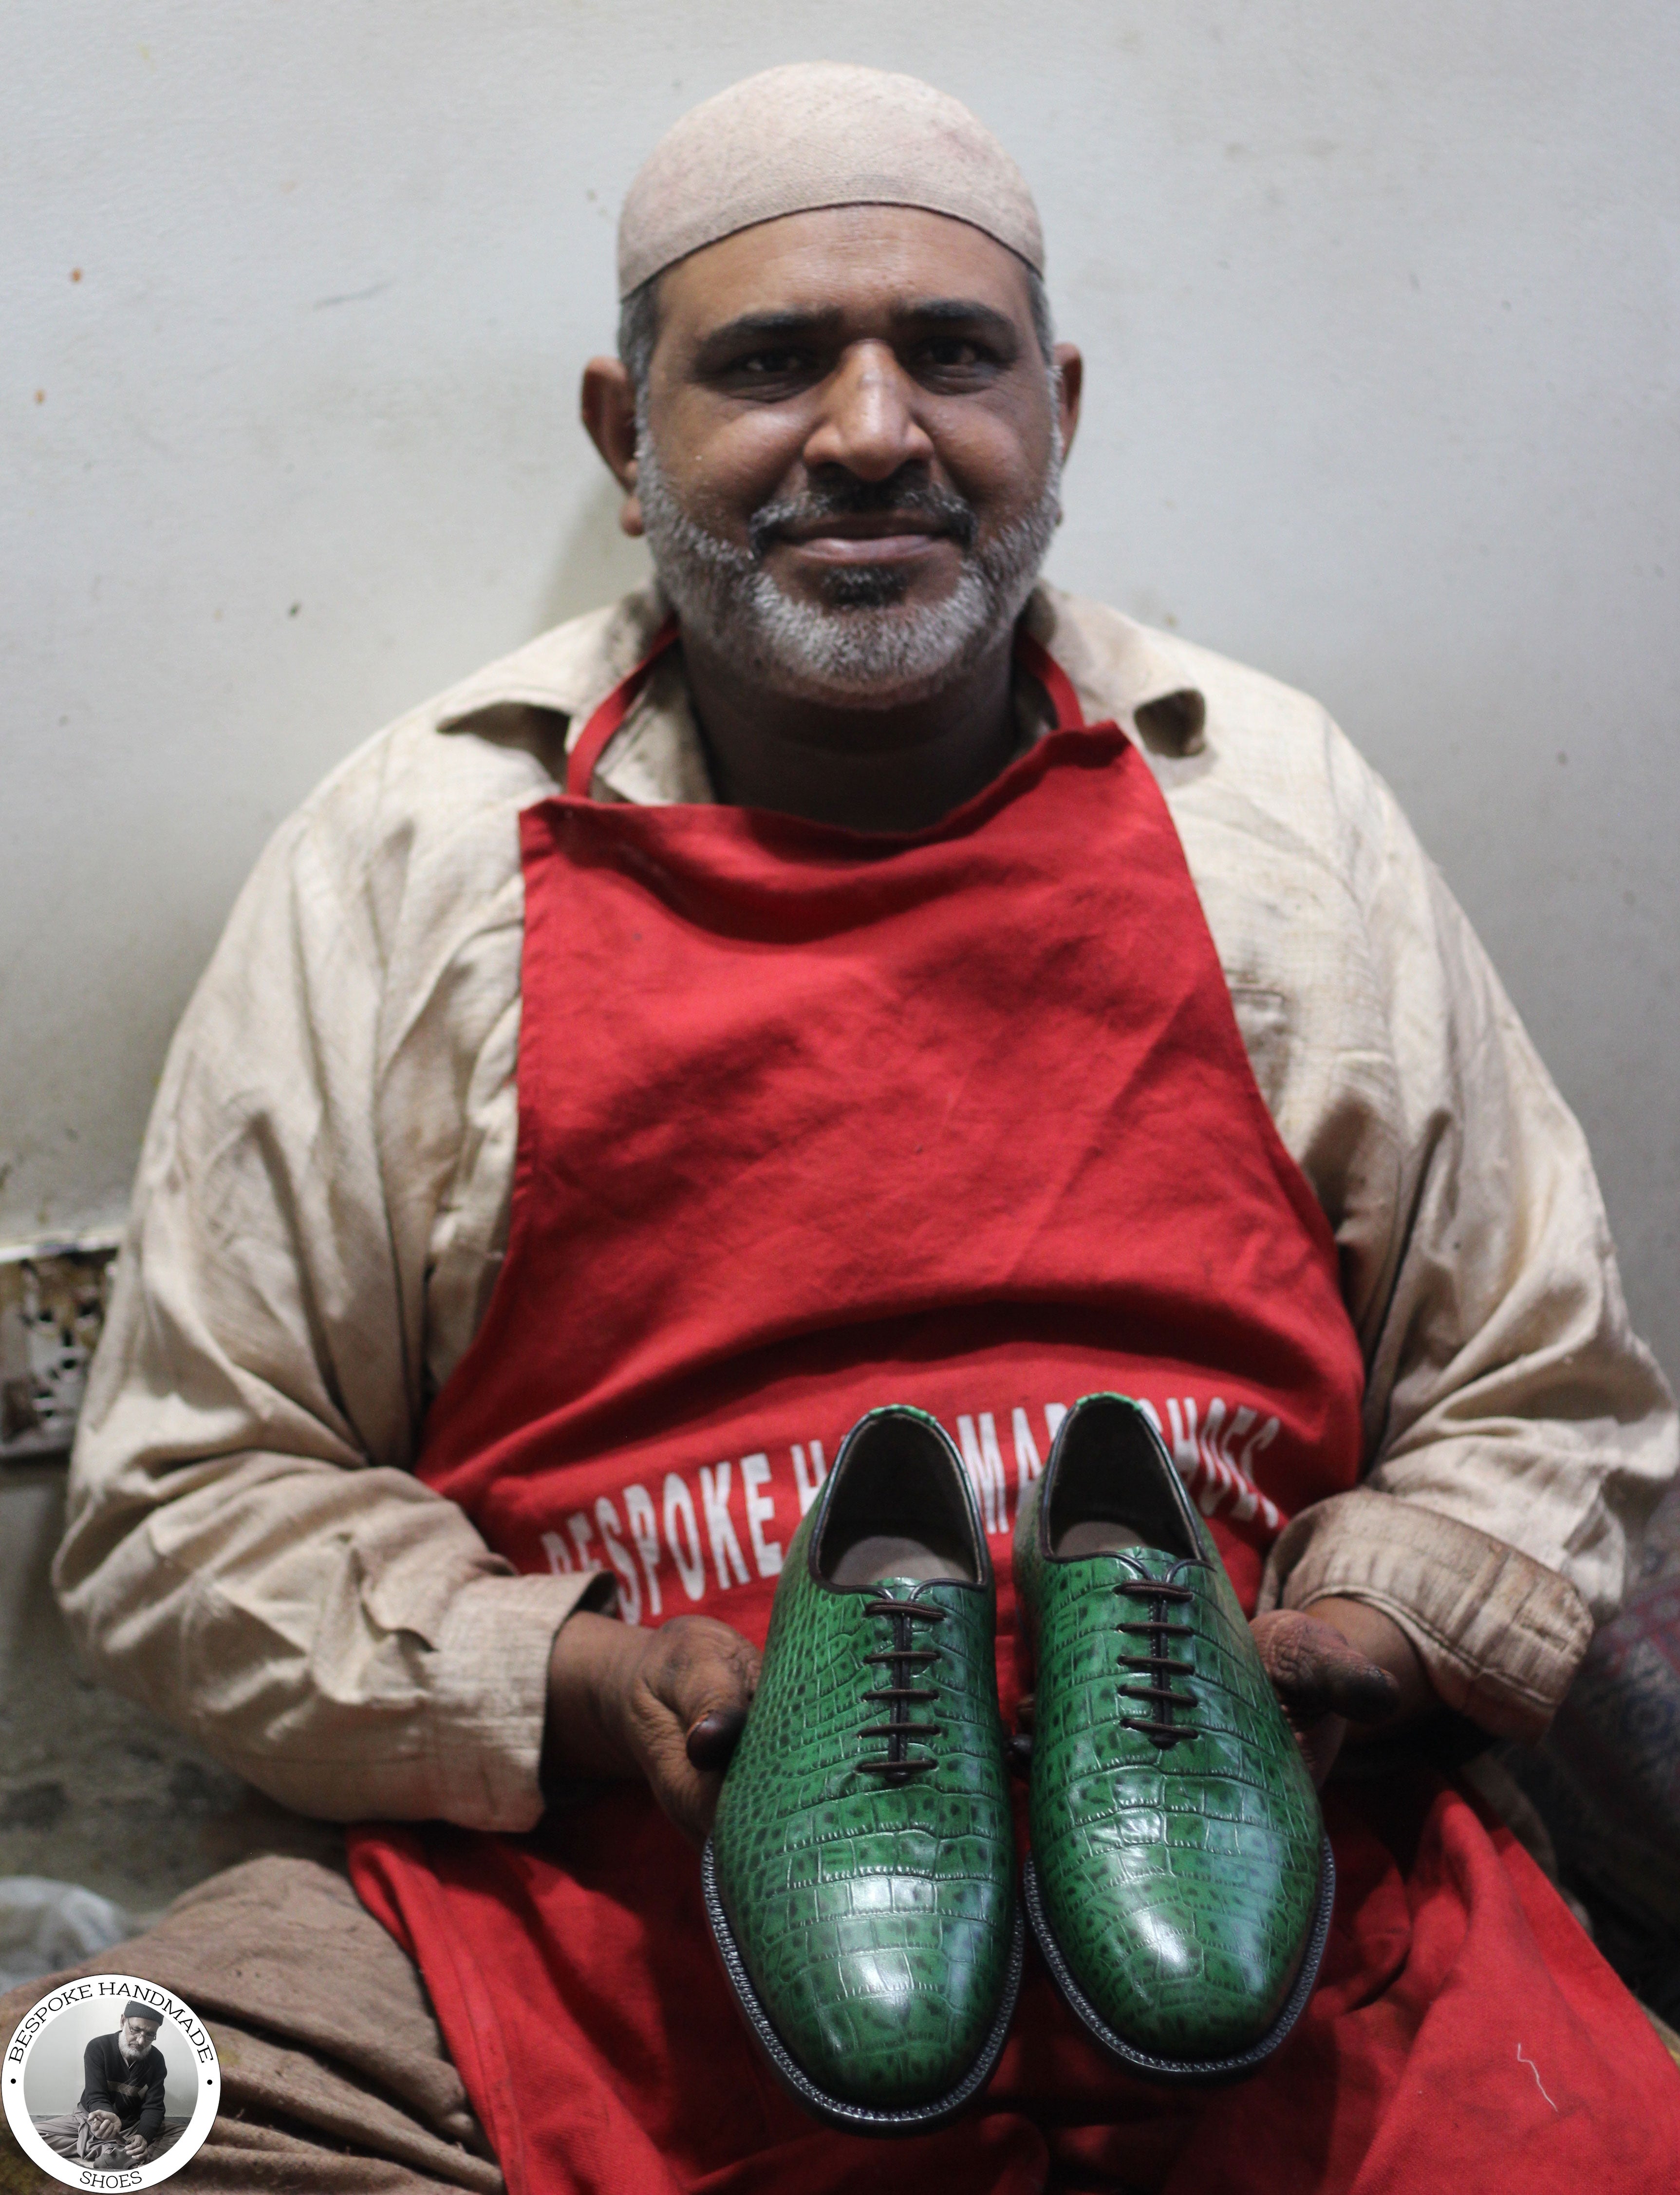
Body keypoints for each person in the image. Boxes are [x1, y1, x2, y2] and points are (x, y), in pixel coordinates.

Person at [30, 59, 1679, 2195]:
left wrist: (1358, 1636)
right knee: (85, 2101)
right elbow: (185, 1496)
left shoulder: (1271, 806)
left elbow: (1540, 1386)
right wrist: (572, 1680)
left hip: (1250, 1845)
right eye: (772, 362)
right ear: (626, 439)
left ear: (1054, 412)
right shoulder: (411, 856)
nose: (875, 429)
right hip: (608, 1893)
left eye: (954, 356)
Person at [33, 2005, 176, 2167]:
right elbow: (96, 2096)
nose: (141, 2041)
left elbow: (154, 2107)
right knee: (29, 2135)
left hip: (132, 2126)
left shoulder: (157, 2060)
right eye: (136, 2030)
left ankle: (116, 2151)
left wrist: (144, 2136)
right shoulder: (98, 2047)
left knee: (190, 2137)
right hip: (91, 2120)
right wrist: (106, 2118)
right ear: (123, 2021)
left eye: (150, 2035)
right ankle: (117, 2153)